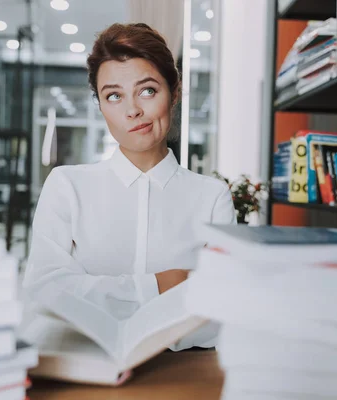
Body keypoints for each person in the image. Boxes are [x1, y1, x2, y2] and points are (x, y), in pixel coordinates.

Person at [21, 23, 236, 350]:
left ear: (174, 92)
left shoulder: (211, 197)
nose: (133, 110)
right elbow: (43, 295)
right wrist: (162, 286)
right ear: (101, 105)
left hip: (183, 376)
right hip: (84, 368)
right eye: (114, 96)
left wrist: (93, 296)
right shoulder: (67, 186)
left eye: (147, 90)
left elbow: (221, 314)